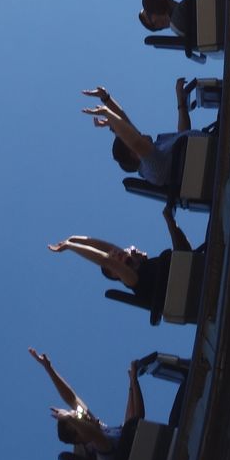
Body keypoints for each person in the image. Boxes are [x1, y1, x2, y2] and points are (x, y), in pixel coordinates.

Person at [27, 349, 145, 460]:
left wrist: (49, 369)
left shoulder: (104, 431)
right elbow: (135, 422)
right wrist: (70, 418)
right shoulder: (99, 449)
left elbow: (72, 398)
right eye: (79, 419)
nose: (84, 415)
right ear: (79, 437)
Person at [48, 206, 193, 312]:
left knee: (177, 252)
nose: (116, 254)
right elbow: (106, 260)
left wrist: (74, 238)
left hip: (192, 267)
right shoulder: (134, 280)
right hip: (185, 290)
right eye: (115, 259)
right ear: (115, 274)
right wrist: (70, 245)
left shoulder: (147, 263)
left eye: (118, 252)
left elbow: (109, 248)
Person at [81, 79, 198, 187]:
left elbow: (184, 136)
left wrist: (106, 98)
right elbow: (136, 142)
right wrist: (107, 113)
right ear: (134, 153)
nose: (139, 134)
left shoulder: (161, 152)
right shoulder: (153, 169)